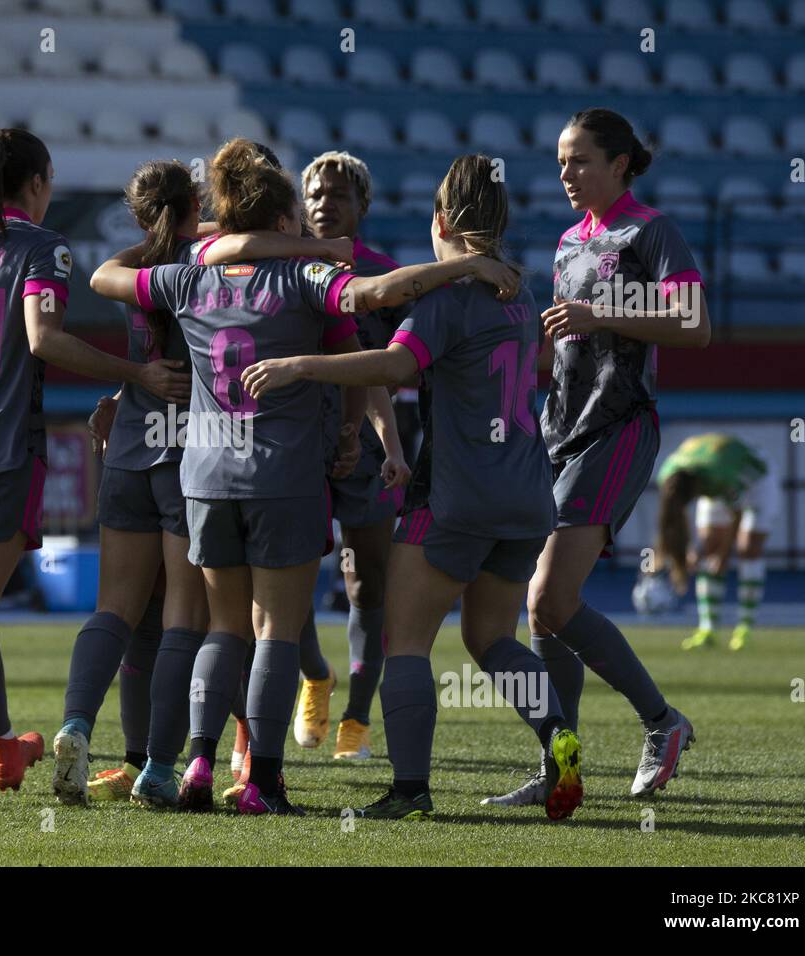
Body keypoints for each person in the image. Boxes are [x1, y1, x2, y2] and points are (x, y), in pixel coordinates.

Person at [92, 138, 517, 816]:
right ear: (287, 220)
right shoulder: (306, 279)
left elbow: (105, 277)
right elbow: (380, 294)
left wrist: (210, 237)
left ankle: (196, 763)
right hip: (280, 477)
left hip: (203, 476)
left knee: (224, 629)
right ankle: (261, 780)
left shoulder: (189, 273)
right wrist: (469, 264)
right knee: (275, 634)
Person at [242, 154, 583, 821]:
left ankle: (409, 790)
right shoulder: (518, 290)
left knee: (405, 641)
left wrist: (299, 366)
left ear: (442, 221)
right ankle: (556, 735)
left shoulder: (447, 297)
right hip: (527, 492)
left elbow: (397, 365)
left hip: (458, 494)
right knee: (491, 638)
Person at [0, 125, 189, 800]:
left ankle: (3, 748)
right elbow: (43, 339)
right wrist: (136, 372)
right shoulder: (43, 250)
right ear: (38, 183)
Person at [59, 158, 355, 807]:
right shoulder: (267, 269)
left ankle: (127, 745)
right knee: (216, 624)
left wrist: (127, 380)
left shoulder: (177, 271)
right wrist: (318, 248)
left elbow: (105, 279)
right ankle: (219, 770)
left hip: (162, 453)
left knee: (150, 618)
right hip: (237, 459)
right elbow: (361, 312)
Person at [485, 107, 710, 808]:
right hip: (558, 430)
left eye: (580, 159)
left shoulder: (652, 232)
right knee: (540, 612)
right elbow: (565, 345)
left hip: (618, 429)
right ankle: (563, 768)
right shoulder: (564, 243)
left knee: (550, 597)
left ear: (619, 164)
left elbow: (694, 325)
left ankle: (661, 721)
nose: (566, 172)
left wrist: (601, 316)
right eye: (560, 160)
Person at [291, 150, 412, 763]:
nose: (324, 202)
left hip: (367, 443)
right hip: (292, 441)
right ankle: (315, 674)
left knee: (368, 580)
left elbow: (398, 366)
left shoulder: (385, 278)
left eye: (338, 193)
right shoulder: (281, 263)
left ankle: (358, 720)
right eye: (314, 192)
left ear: (362, 205)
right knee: (283, 572)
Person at [652, 432, 775, 651]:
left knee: (748, 547)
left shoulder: (719, 476)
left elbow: (735, 513)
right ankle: (708, 629)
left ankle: (744, 627)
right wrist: (690, 548)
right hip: (714, 472)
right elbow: (675, 514)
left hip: (757, 480)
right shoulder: (668, 475)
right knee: (707, 546)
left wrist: (724, 554)